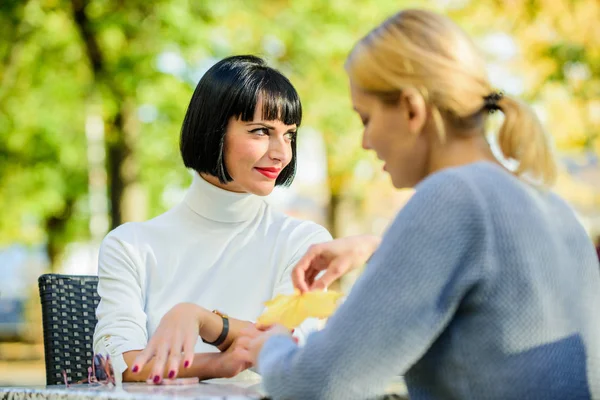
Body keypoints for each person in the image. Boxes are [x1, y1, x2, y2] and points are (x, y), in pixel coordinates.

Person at [239, 9, 600, 400]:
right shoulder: (551, 206)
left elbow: (317, 383)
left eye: (366, 119)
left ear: (412, 108)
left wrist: (272, 346)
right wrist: (378, 247)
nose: (365, 142)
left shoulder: (452, 197)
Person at [92, 55, 332, 384]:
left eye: (289, 134)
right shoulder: (130, 245)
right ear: (213, 130)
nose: (282, 152)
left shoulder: (304, 242)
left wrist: (205, 321)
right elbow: (115, 365)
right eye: (261, 131)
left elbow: (293, 356)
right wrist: (217, 365)